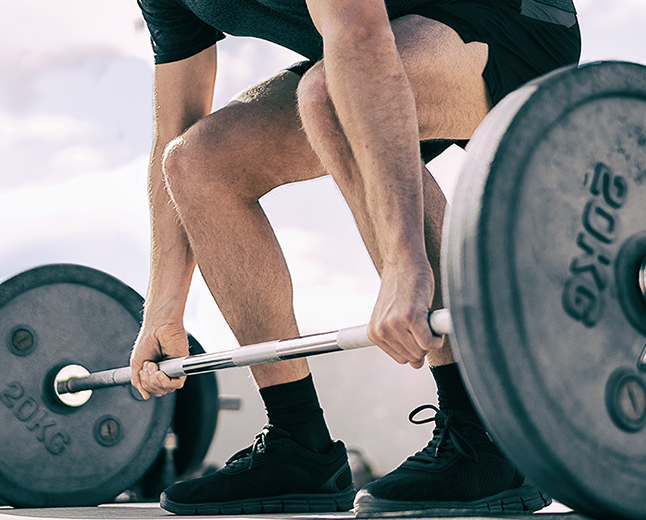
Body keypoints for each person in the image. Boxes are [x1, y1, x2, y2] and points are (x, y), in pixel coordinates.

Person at [129, 0, 581, 515]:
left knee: (330, 95)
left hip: (514, 27)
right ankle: (298, 446)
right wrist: (163, 308)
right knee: (195, 160)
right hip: (375, 52)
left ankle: (485, 435)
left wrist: (403, 261)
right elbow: (176, 123)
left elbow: (359, 36)